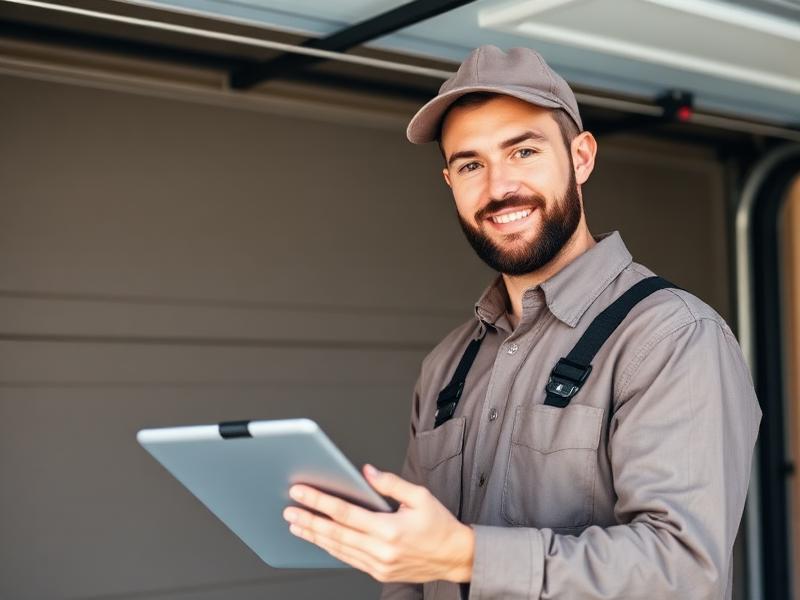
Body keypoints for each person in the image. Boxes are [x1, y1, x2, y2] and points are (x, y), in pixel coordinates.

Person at [281, 45, 762, 599]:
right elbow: (412, 576)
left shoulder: (671, 337)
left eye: (524, 151)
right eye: (470, 164)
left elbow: (683, 573)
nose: (498, 187)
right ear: (449, 181)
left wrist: (469, 554)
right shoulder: (446, 366)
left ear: (581, 158)